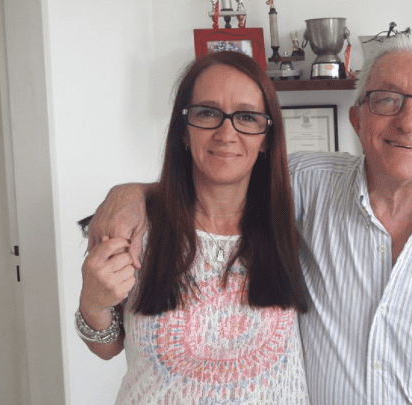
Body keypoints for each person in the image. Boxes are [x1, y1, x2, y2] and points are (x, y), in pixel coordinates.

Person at [88, 36, 412, 404]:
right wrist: (131, 193)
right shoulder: (307, 187)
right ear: (357, 119)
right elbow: (223, 171)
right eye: (386, 100)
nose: (409, 121)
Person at [75, 51, 310, 404]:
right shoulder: (135, 228)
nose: (226, 133)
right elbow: (107, 348)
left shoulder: (296, 222)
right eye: (207, 113)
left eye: (247, 117)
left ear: (266, 137)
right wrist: (92, 305)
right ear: (183, 131)